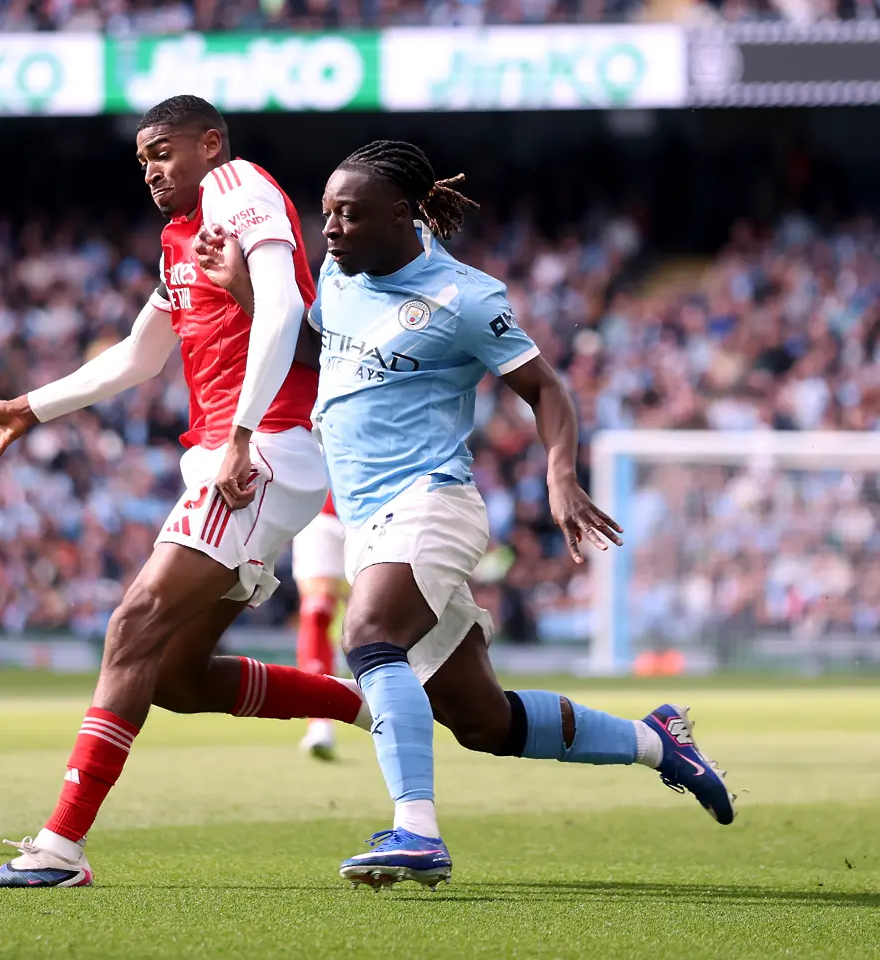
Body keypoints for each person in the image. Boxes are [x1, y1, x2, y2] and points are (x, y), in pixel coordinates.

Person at [194, 139, 736, 890]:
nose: (331, 230)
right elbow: (321, 351)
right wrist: (243, 290)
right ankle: (657, 741)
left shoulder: (465, 298)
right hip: (367, 524)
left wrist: (560, 476)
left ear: (400, 215)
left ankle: (416, 833)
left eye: (348, 215)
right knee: (484, 722)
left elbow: (546, 389)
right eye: (326, 213)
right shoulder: (341, 274)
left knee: (368, 633)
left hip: (430, 504)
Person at [0, 96, 372, 889]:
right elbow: (137, 358)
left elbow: (285, 306)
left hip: (261, 450)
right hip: (235, 455)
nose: (149, 170)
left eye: (162, 151)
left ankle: (59, 847)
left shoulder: (237, 186)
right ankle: (372, 705)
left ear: (209, 143)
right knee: (176, 676)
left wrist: (240, 435)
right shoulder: (179, 238)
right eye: (141, 159)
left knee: (133, 623)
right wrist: (29, 407)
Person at [290, 494, 348, 760]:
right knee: (317, 612)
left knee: (390, 617)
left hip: (380, 508)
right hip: (320, 512)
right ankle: (320, 720)